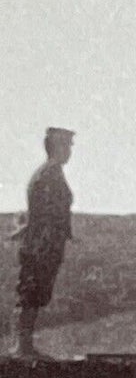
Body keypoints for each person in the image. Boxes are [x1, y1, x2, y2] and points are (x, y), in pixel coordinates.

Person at [10, 127, 75, 358]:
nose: (69, 151)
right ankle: (22, 346)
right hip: (42, 245)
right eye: (66, 146)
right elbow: (43, 213)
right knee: (31, 292)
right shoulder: (48, 175)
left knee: (35, 293)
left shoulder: (50, 173)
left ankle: (24, 346)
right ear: (56, 147)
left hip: (44, 243)